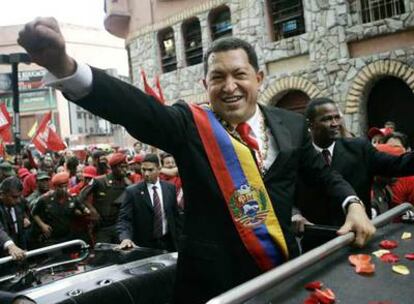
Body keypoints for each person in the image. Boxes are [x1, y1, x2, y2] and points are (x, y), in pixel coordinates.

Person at [18, 18, 375, 303]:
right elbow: (134, 108)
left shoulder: (292, 124)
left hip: (280, 273)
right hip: (210, 284)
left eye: (239, 75)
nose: (229, 86)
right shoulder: (190, 125)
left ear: (259, 78)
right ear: (206, 84)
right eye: (218, 77)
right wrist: (64, 66)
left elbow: (324, 176)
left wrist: (353, 204)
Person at [294, 98, 414, 247]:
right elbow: (286, 193)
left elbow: (398, 164)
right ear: (310, 124)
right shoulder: (297, 158)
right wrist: (294, 214)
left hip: (358, 240)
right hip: (317, 245)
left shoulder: (359, 149)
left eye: (337, 117)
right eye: (327, 119)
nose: (334, 123)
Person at [117, 154, 180, 251]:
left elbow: (175, 217)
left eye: (150, 170)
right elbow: (124, 219)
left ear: (159, 169)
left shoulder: (169, 188)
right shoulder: (132, 192)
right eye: (143, 169)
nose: (146, 173)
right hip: (144, 246)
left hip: (168, 244)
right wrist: (125, 238)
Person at [79, 152, 131, 244]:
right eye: (121, 167)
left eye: (126, 167)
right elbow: (82, 196)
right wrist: (92, 210)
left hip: (119, 227)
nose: (124, 170)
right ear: (113, 167)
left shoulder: (128, 184)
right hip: (102, 227)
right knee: (103, 254)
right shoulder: (99, 181)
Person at [0, 177, 27, 260]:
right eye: (14, 197)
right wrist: (11, 246)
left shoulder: (20, 202)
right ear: (1, 194)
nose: (18, 200)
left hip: (19, 254)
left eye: (19, 196)